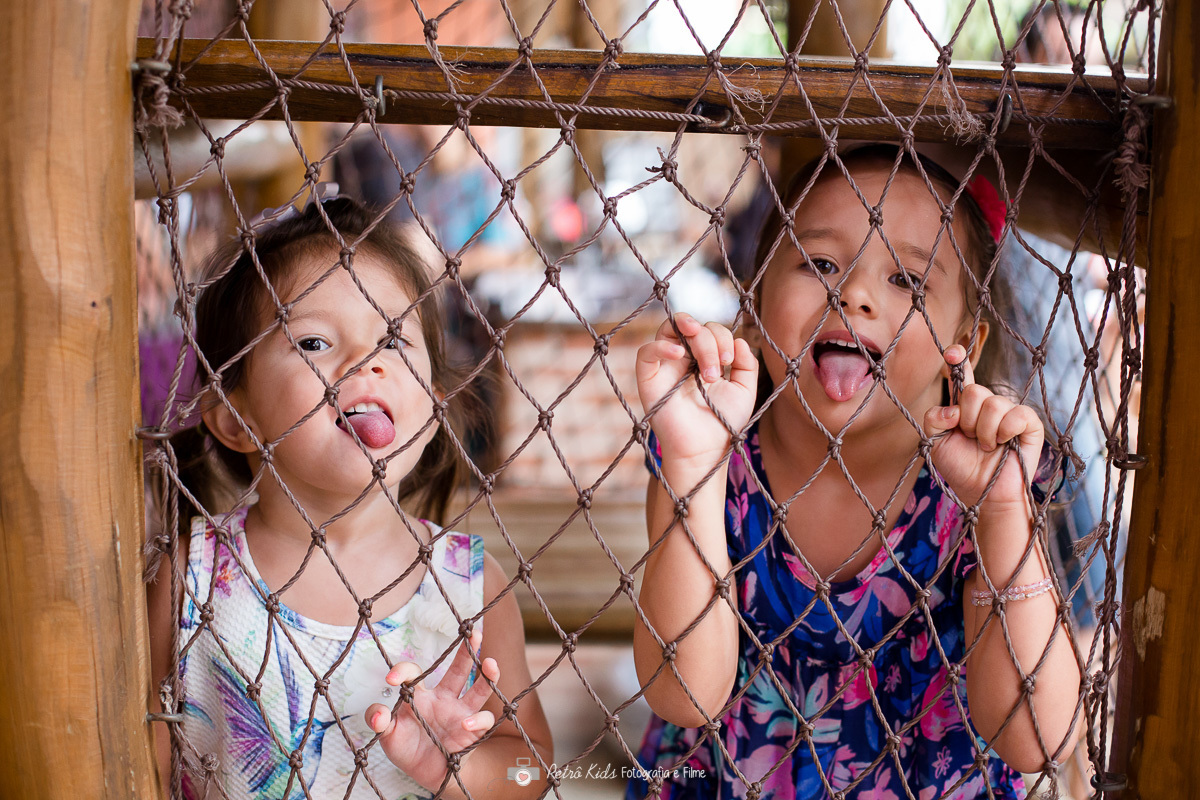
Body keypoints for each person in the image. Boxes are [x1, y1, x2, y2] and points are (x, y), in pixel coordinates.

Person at [628, 146, 1080, 799]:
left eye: (908, 281)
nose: (857, 294)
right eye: (820, 264)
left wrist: (1005, 513)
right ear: (753, 306)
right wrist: (694, 464)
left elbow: (1035, 739)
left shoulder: (985, 483)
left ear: (968, 343)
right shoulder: (707, 452)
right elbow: (682, 695)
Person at [146, 195, 552, 799]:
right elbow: (144, 755)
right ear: (235, 418)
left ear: (436, 406)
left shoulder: (470, 587)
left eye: (393, 338)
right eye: (313, 343)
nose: (367, 363)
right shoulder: (193, 575)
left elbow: (534, 770)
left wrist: (455, 770)